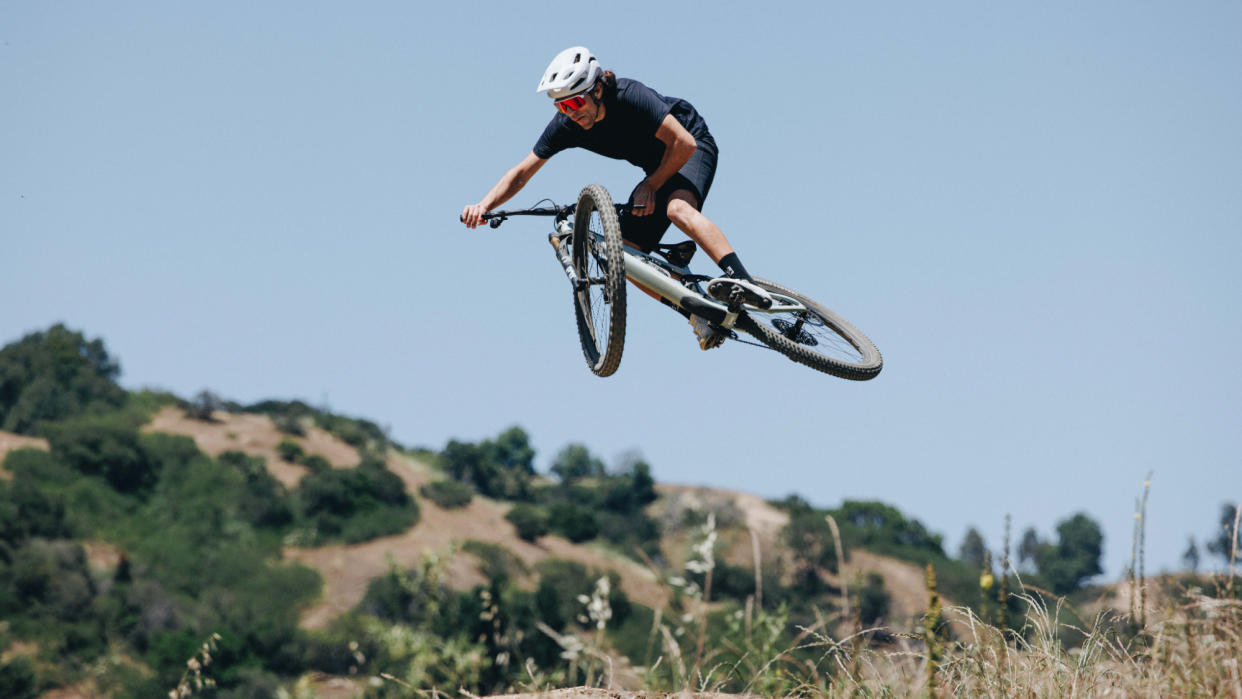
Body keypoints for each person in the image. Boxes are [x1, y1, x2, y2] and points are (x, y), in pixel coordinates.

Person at [462, 46, 772, 350]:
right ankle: (696, 313)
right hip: (658, 168)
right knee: (622, 255)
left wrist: (652, 184)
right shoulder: (567, 127)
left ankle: (745, 282)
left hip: (689, 144)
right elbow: (522, 172)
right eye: (562, 107)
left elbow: (684, 144)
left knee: (677, 208)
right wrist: (485, 205)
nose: (571, 113)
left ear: (597, 89)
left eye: (576, 102)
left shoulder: (630, 96)